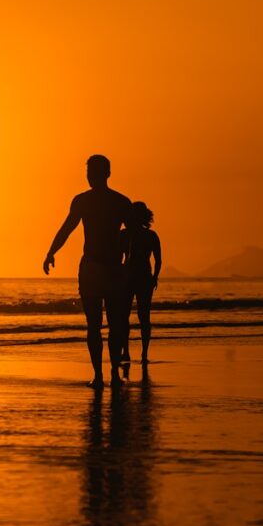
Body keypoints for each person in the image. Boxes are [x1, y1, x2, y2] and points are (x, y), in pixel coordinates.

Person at [43, 155, 132, 388]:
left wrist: (51, 252)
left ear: (103, 174)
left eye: (92, 172)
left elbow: (133, 235)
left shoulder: (112, 202)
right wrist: (51, 252)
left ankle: (107, 374)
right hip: (100, 267)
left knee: (105, 324)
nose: (90, 176)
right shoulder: (108, 201)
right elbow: (67, 228)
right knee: (103, 324)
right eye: (89, 171)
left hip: (104, 267)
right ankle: (104, 374)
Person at [121, 202, 162, 363]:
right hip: (136, 277)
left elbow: (158, 260)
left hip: (138, 277)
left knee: (139, 316)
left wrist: (154, 277)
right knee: (133, 316)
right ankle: (132, 352)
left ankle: (141, 353)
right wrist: (154, 277)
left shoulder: (148, 235)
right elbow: (158, 260)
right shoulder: (127, 235)